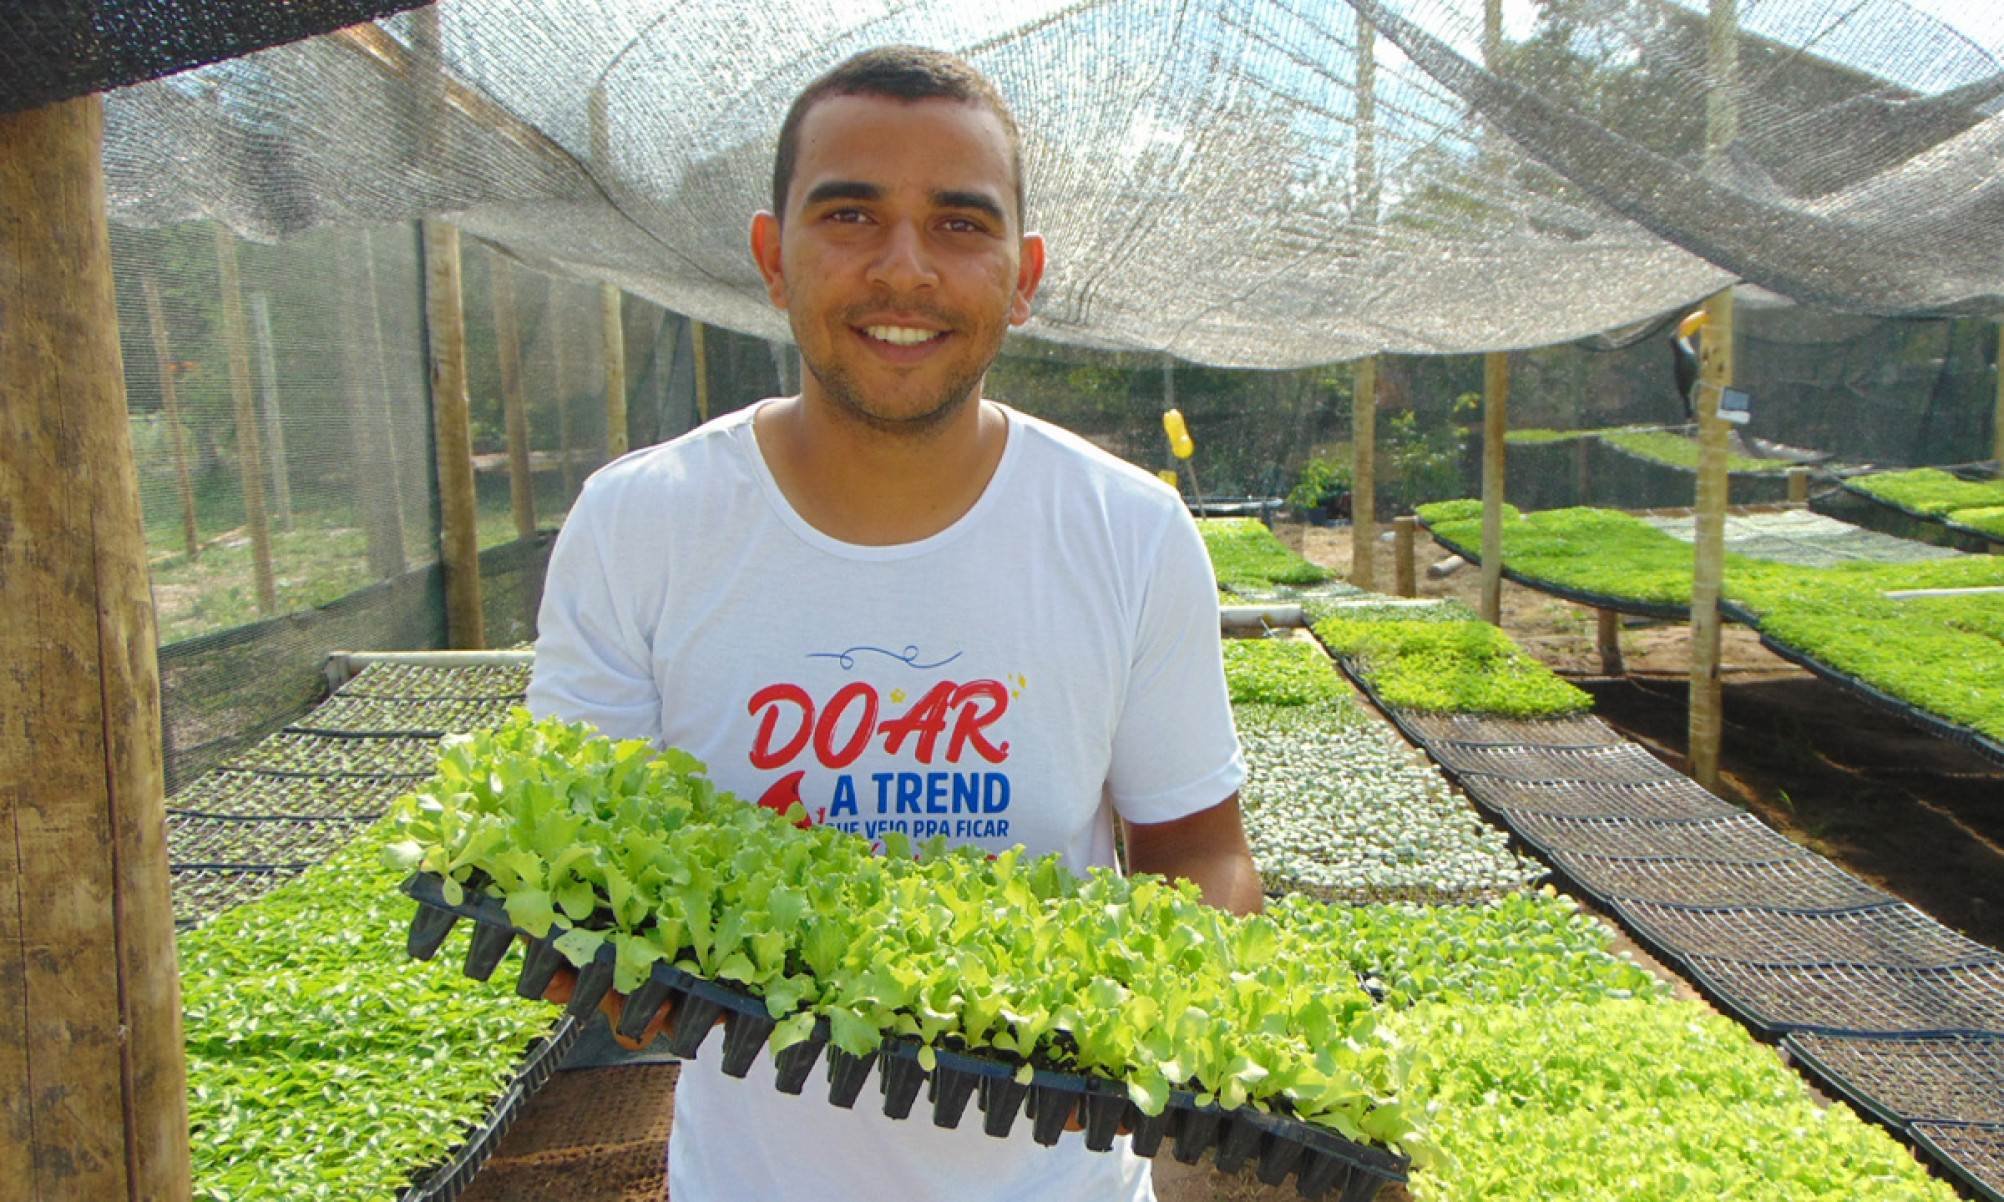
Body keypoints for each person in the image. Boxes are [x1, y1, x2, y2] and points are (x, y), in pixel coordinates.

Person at [526, 44, 1259, 1202]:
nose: (902, 268)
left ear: (1024, 274)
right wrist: (606, 963)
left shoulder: (1128, 529)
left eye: (960, 225)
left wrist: (1180, 997)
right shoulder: (643, 524)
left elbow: (1197, 847)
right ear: (774, 256)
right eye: (851, 213)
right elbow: (577, 866)